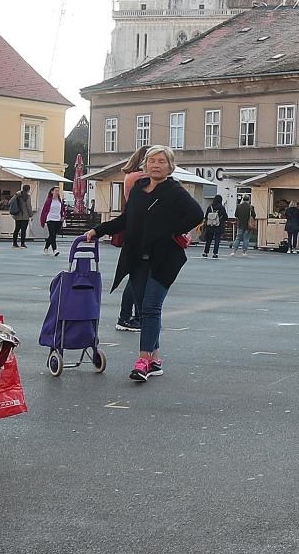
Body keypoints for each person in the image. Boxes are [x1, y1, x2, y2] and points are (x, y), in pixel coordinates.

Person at [82, 145, 203, 383]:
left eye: (161, 161)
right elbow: (127, 219)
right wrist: (99, 230)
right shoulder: (138, 190)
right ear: (145, 165)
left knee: (150, 308)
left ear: (170, 166)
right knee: (143, 306)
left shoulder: (175, 191)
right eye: (152, 161)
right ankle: (155, 358)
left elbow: (196, 214)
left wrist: (171, 230)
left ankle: (143, 360)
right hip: (136, 257)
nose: (156, 165)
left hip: (164, 259)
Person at [113, 144, 151, 332]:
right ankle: (129, 316)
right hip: (141, 230)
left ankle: (128, 316)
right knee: (137, 277)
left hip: (135, 229)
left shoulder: (130, 176)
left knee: (136, 277)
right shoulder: (140, 178)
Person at [39, 186, 66, 254]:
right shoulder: (49, 201)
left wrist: (63, 216)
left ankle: (46, 247)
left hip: (58, 219)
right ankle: (55, 250)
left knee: (52, 235)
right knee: (52, 234)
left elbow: (63, 210)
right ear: (52, 192)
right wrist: (42, 220)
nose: (57, 192)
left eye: (58, 191)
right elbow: (44, 210)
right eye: (56, 191)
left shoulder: (60, 200)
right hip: (50, 219)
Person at [200, 195, 226, 259]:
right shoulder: (222, 208)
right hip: (218, 225)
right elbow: (225, 217)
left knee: (209, 240)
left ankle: (206, 252)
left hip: (210, 225)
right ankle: (215, 253)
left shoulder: (210, 207)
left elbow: (206, 216)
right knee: (217, 240)